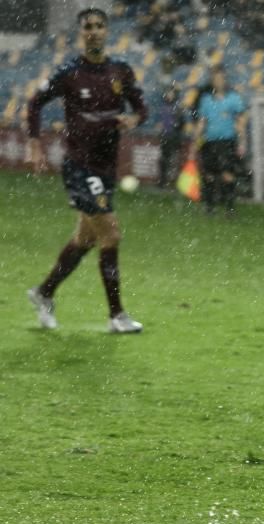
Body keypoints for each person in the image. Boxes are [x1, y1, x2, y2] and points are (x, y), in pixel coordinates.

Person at [25, 7, 146, 334]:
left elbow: (141, 108)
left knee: (84, 238)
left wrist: (133, 119)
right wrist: (35, 146)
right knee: (111, 233)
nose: (93, 31)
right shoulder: (70, 73)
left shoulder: (120, 71)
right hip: (79, 166)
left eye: (98, 26)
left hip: (106, 168)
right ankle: (117, 315)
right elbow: (35, 104)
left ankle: (44, 293)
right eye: (87, 27)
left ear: (107, 31)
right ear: (81, 34)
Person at [189, 67, 247, 216]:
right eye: (216, 79)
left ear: (225, 80)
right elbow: (202, 122)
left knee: (227, 174)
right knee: (208, 175)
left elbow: (240, 122)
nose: (218, 81)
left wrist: (242, 142)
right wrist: (195, 142)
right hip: (210, 142)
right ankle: (209, 208)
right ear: (212, 81)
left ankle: (230, 208)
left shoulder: (233, 98)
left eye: (221, 78)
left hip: (227, 142)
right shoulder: (206, 100)